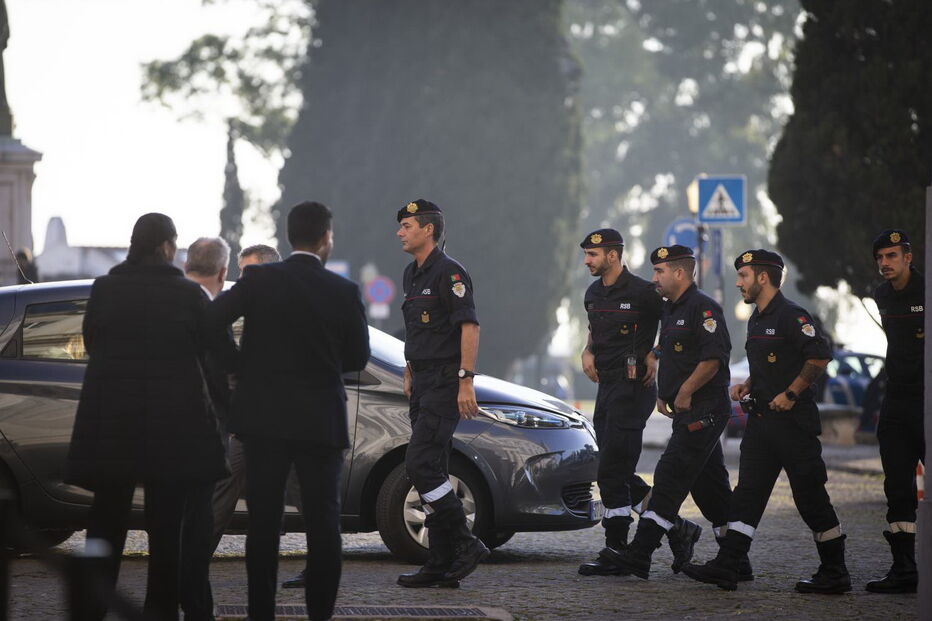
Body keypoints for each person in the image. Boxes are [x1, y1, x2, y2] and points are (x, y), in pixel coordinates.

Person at [208, 202, 369, 621]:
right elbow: (358, 355)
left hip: (263, 421)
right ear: (326, 239)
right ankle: (319, 614)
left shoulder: (258, 280)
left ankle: (261, 613)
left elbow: (210, 321)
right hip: (320, 421)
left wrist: (237, 363)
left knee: (263, 524)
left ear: (288, 236)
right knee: (323, 524)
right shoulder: (343, 291)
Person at [66, 213, 230, 621]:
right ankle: (159, 611)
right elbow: (213, 354)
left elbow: (91, 342)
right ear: (168, 246)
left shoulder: (105, 289)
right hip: (172, 430)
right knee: (166, 529)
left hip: (113, 426)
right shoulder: (188, 295)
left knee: (104, 524)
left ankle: (91, 609)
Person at [683, 249, 850, 594]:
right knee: (746, 497)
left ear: (762, 277)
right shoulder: (756, 318)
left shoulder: (792, 315)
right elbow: (768, 367)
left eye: (744, 276)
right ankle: (729, 566)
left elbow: (819, 356)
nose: (739, 282)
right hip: (760, 424)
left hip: (793, 426)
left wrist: (791, 393)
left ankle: (835, 571)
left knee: (810, 498)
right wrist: (748, 385)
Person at [575, 229, 701, 577]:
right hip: (606, 389)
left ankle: (616, 549)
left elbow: (676, 321)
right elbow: (593, 330)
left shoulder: (644, 292)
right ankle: (676, 527)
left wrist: (656, 353)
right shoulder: (592, 293)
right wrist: (587, 350)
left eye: (592, 255)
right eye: (586, 254)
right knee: (614, 471)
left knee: (612, 470)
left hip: (634, 389)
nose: (587, 261)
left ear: (612, 256)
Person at [603, 245, 734, 580]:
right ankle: (736, 558)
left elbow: (713, 358)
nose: (654, 278)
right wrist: (655, 356)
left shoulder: (704, 308)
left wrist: (685, 391)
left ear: (679, 273)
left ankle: (640, 554)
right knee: (712, 490)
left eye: (659, 272)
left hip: (704, 409)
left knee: (669, 476)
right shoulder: (673, 308)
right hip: (686, 410)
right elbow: (675, 344)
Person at [395, 199, 488, 588]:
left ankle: (467, 545)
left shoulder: (451, 273)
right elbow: (418, 330)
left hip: (446, 382)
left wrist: (466, 380)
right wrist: (408, 368)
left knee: (420, 465)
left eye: (407, 226)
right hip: (423, 382)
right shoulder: (410, 274)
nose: (399, 232)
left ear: (428, 229)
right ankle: (440, 561)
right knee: (437, 468)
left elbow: (469, 327)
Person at [208, 243, 282, 556]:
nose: (241, 280)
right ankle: (194, 558)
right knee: (230, 483)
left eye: (246, 272)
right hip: (256, 414)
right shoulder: (252, 298)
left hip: (276, 417)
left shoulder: (287, 300)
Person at [866, 229, 924, 594]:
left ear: (908, 257)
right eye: (880, 258)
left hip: (928, 400)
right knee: (897, 487)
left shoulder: (927, 291)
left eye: (892, 256)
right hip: (896, 400)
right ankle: (904, 569)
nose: (885, 264)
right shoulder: (881, 295)